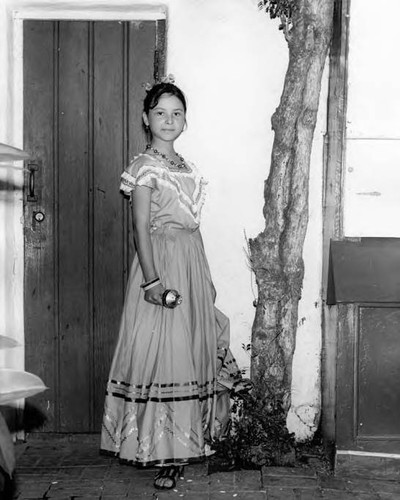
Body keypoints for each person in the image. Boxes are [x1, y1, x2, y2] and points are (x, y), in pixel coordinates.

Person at [100, 76, 241, 490]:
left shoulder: (189, 168)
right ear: (146, 119)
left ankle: (185, 444)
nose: (168, 119)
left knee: (190, 348)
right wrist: (152, 280)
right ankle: (161, 451)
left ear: (185, 121)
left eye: (176, 113)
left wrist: (203, 280)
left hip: (191, 262)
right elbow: (140, 226)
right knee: (163, 353)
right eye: (160, 113)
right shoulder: (143, 168)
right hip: (158, 265)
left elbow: (192, 230)